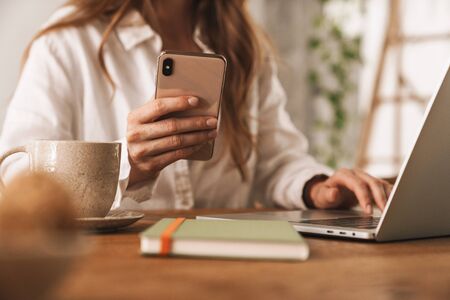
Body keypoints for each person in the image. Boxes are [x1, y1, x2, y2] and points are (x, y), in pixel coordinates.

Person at [0, 0, 392, 212]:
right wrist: (127, 167)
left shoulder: (242, 44)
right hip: (112, 265)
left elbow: (277, 161)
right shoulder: (67, 42)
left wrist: (315, 187)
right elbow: (16, 174)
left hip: (228, 266)